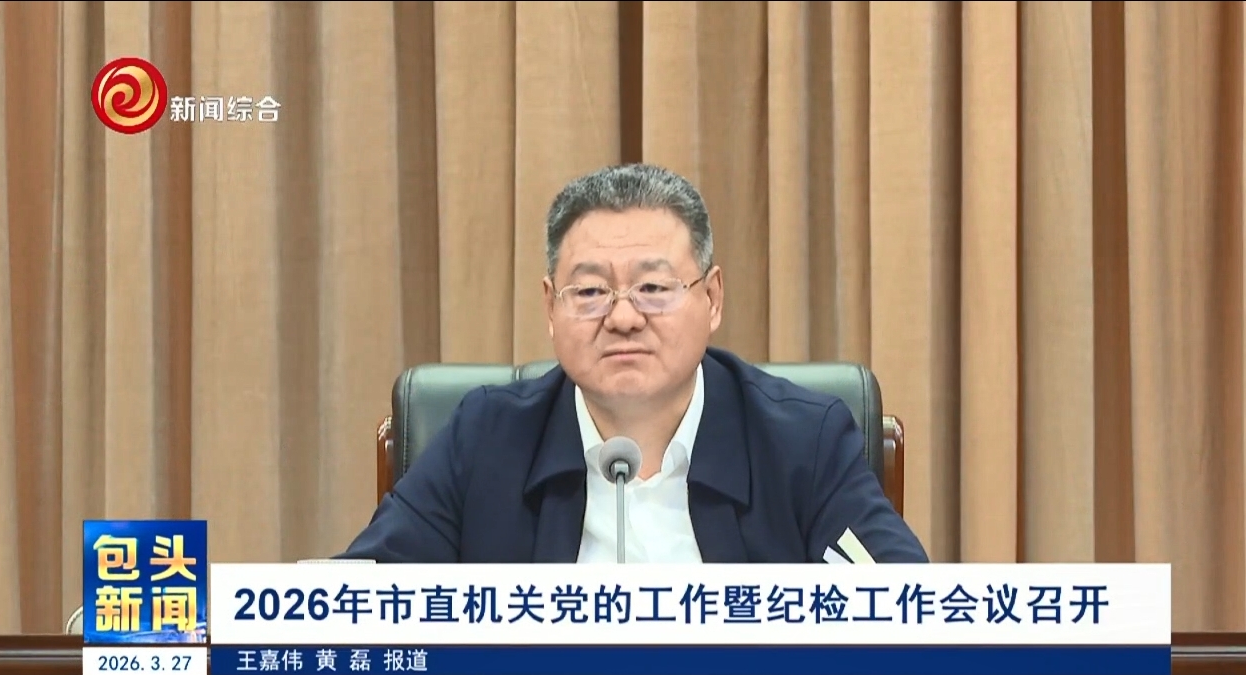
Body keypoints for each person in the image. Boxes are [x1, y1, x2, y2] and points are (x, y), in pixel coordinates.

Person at [340, 163, 928, 564]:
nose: (623, 318)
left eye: (653, 288)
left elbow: (902, 612)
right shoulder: (486, 438)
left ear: (712, 299)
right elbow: (359, 604)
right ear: (551, 308)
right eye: (590, 292)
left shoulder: (803, 441)